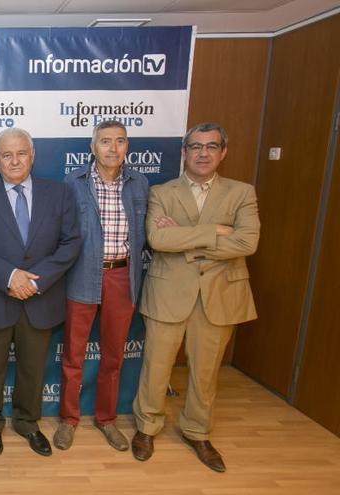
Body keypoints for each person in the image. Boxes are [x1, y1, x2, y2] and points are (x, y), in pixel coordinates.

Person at [131, 123, 260, 473]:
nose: (204, 153)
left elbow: (247, 243)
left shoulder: (242, 192)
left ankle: (197, 431)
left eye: (212, 146)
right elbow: (158, 240)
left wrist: (186, 238)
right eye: (196, 146)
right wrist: (216, 232)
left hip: (220, 295)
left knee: (206, 371)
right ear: (184, 152)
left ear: (223, 152)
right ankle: (147, 428)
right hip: (169, 291)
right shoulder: (162, 191)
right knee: (156, 366)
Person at [0, 128, 81, 457]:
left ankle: (28, 423)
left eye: (20, 153)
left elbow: (71, 242)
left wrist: (35, 281)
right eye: (6, 155)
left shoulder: (59, 194)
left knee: (33, 368)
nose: (14, 160)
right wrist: (10, 276)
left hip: (40, 298)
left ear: (32, 156)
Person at [56, 120, 150, 451]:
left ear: (127, 147)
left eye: (120, 141)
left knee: (113, 355)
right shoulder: (74, 182)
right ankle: (69, 420)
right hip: (82, 274)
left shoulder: (140, 183)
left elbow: (148, 231)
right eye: (106, 141)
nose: (113, 148)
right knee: (74, 354)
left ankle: (106, 419)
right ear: (92, 147)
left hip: (122, 276)